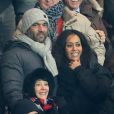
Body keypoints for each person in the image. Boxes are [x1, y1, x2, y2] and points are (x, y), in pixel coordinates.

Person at [0, 8, 58, 113]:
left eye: (44, 25)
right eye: (35, 25)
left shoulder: (48, 51)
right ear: (26, 28)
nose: (41, 29)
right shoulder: (13, 54)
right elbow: (12, 93)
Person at [53, 29, 114, 114]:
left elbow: (99, 93)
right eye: (69, 45)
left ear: (83, 47)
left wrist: (79, 69)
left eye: (78, 45)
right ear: (63, 48)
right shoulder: (56, 69)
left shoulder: (93, 64)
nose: (75, 49)